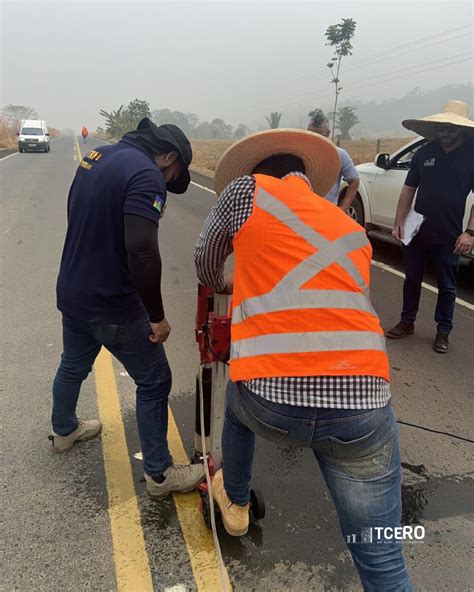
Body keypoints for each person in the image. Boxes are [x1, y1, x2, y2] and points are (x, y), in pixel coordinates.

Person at [195, 129, 412, 591]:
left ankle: (234, 506)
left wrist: (225, 283)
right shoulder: (348, 226)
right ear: (307, 179)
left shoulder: (245, 191)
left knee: (236, 411)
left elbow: (204, 260)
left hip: (269, 403)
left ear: (255, 172)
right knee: (382, 555)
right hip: (364, 406)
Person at [51, 118, 205, 497]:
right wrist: (156, 316)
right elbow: (141, 250)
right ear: (167, 156)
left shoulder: (97, 156)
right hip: (114, 304)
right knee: (155, 382)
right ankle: (159, 474)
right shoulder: (146, 174)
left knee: (73, 364)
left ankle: (64, 430)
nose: (167, 184)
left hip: (73, 292)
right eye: (172, 176)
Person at [387, 100, 474, 353]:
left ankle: (443, 331)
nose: (445, 133)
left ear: (461, 130)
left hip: (450, 235)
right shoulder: (425, 153)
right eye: (441, 128)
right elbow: (408, 189)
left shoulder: (472, 155)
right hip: (417, 230)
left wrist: (469, 232)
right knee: (411, 278)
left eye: (450, 129)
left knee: (447, 286)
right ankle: (407, 322)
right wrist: (399, 222)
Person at [307, 110, 360, 211]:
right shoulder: (299, 154)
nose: (315, 139)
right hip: (303, 213)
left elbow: (354, 181)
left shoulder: (340, 155)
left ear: (328, 133)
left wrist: (344, 206)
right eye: (311, 134)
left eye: (320, 136)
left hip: (328, 213)